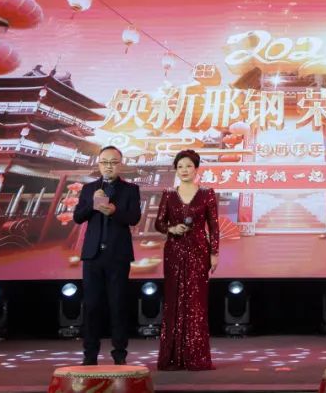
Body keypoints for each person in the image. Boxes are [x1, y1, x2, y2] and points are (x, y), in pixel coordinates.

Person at [72, 145, 142, 365]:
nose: (108, 166)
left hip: (118, 255)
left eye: (113, 162)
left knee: (118, 305)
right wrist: (93, 205)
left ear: (120, 165)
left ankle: (119, 355)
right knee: (92, 306)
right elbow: (78, 217)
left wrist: (115, 211)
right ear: (99, 164)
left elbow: (134, 218)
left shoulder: (130, 189)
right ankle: (90, 355)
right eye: (104, 162)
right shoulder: (89, 188)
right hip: (92, 256)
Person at [155, 149, 220, 371]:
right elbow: (159, 223)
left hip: (199, 251)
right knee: (173, 300)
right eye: (180, 166)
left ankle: (196, 356)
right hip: (174, 251)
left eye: (189, 166)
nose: (184, 170)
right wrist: (172, 228)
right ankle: (172, 357)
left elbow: (214, 226)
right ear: (176, 169)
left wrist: (214, 253)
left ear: (196, 169)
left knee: (196, 302)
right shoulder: (168, 194)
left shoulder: (207, 194)